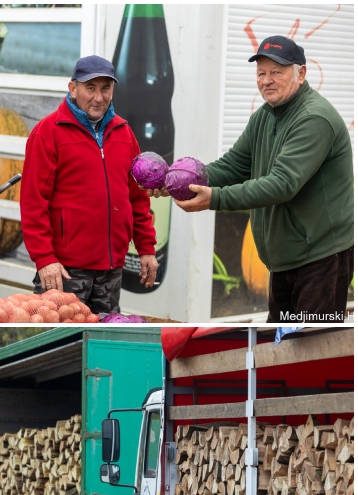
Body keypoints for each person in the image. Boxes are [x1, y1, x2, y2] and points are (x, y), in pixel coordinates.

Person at [148, 36, 353, 323]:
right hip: (286, 258)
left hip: (320, 258)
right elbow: (234, 165)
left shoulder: (315, 119)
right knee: (280, 345)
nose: (267, 80)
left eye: (276, 72)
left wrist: (215, 199)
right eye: (261, 73)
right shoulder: (264, 117)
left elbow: (282, 184)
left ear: (301, 73)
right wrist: (177, 182)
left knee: (312, 346)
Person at [19, 55, 158, 313]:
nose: (98, 97)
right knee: (61, 338)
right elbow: (32, 202)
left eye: (105, 89)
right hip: (64, 272)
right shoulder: (48, 132)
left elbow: (137, 198)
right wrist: (44, 258)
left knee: (103, 336)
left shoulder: (124, 133)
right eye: (90, 88)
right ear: (73, 89)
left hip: (110, 270)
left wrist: (146, 248)